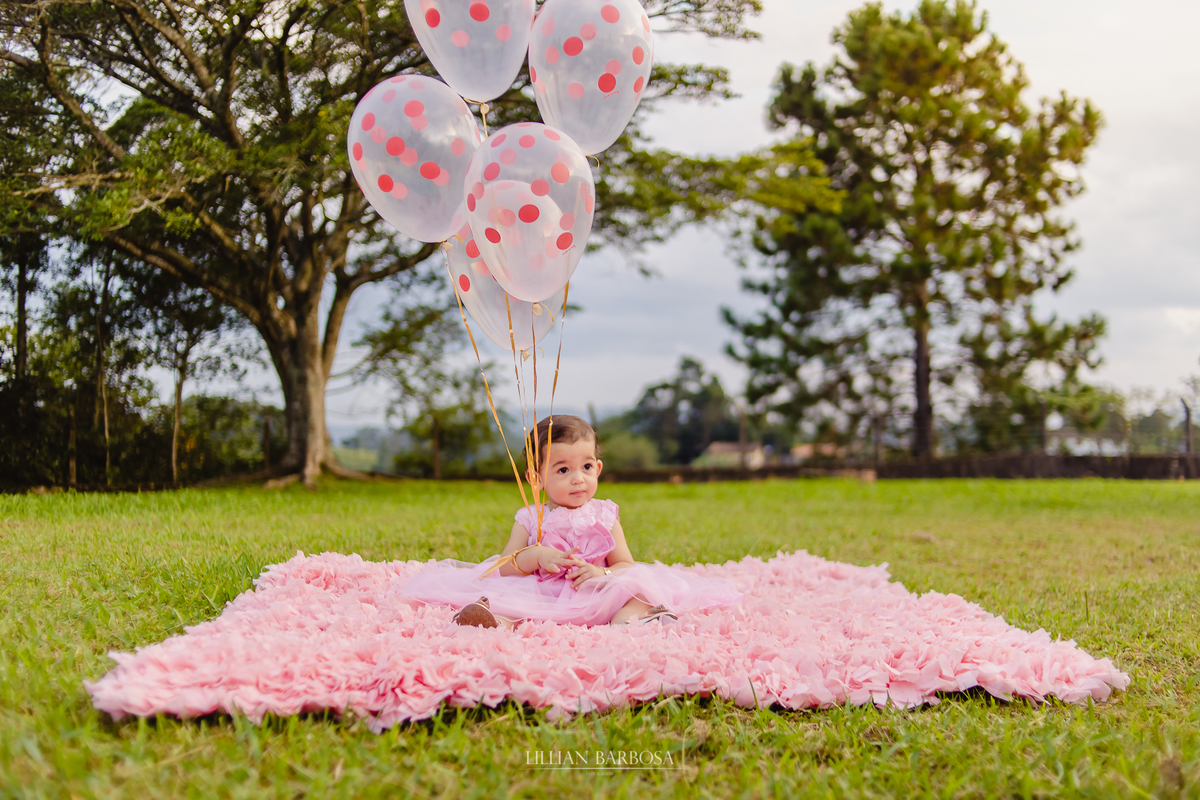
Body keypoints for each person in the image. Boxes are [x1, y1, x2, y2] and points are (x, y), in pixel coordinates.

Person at [397, 414, 744, 628]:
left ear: (599, 468)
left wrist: (602, 573)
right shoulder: (532, 516)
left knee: (635, 586)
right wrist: (536, 556)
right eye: (563, 469)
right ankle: (495, 622)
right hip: (543, 589)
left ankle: (634, 621)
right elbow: (503, 566)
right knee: (508, 601)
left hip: (594, 587)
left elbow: (623, 561)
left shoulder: (605, 513)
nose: (578, 478)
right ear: (537, 478)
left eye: (587, 467)